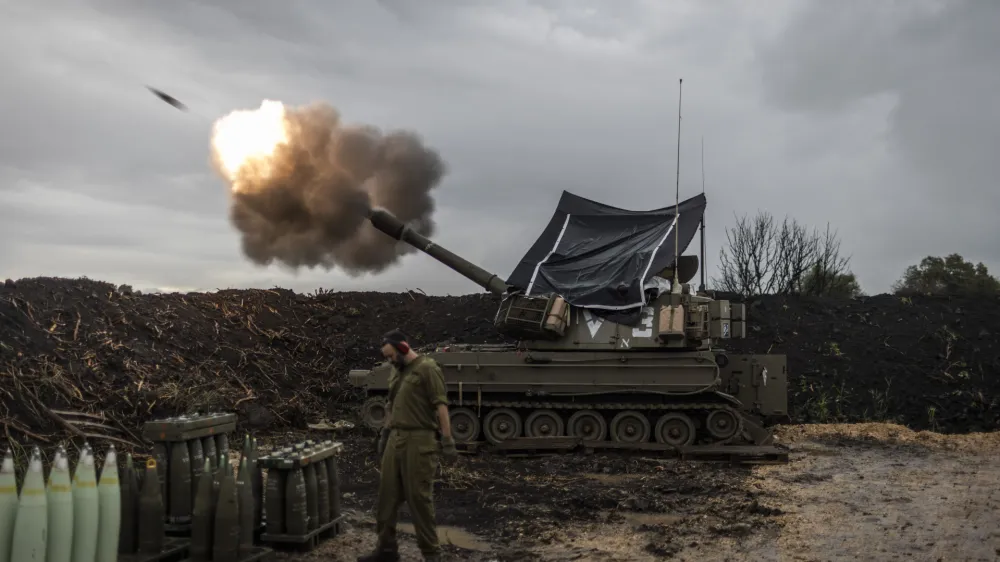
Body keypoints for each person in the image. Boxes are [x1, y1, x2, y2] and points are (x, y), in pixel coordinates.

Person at [358, 329, 458, 562]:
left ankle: (432, 555)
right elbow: (391, 403)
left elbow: (440, 405)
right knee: (386, 496)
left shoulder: (428, 369)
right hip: (396, 437)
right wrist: (385, 432)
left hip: (420, 440)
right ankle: (386, 549)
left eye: (392, 355)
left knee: (418, 499)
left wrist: (447, 440)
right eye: (387, 357)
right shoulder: (397, 370)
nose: (390, 360)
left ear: (403, 348)